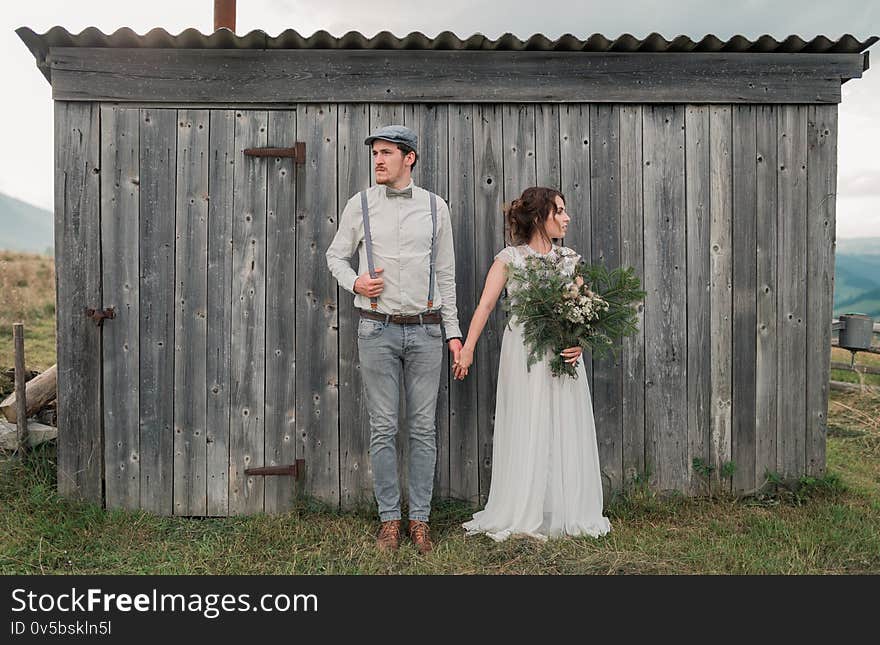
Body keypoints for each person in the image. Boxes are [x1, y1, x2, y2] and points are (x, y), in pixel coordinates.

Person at [325, 125, 463, 554]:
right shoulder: (360, 204)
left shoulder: (435, 208)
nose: (379, 161)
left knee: (422, 429)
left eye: (387, 153)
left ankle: (419, 520)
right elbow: (335, 256)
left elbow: (446, 275)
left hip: (425, 329)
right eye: (376, 154)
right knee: (383, 428)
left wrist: (453, 333)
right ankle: (389, 521)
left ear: (410, 158)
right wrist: (356, 282)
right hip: (376, 328)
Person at [453, 186, 611, 542]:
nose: (567, 218)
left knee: (564, 424)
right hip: (524, 354)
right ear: (541, 217)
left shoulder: (569, 259)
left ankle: (566, 508)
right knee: (528, 423)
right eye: (560, 211)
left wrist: (579, 344)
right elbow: (485, 306)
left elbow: (584, 309)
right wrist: (468, 348)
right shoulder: (510, 258)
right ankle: (522, 507)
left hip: (561, 356)